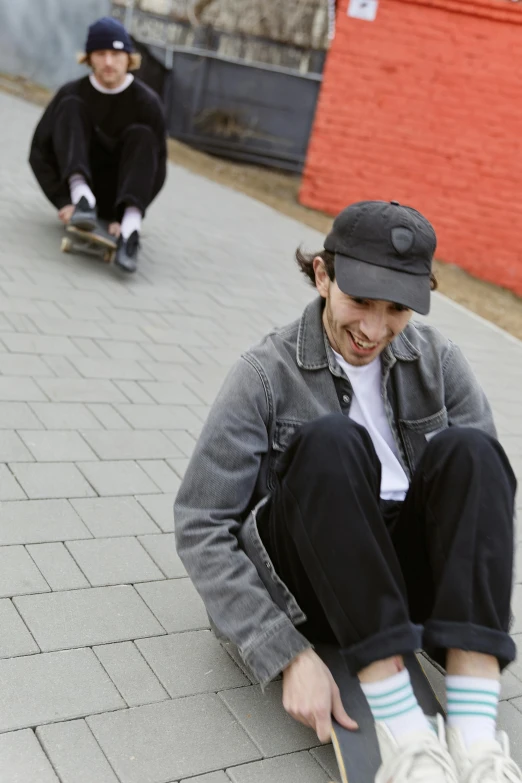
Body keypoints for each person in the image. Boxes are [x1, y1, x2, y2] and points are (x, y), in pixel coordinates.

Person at [175, 200, 521, 783]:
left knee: (476, 452)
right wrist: (282, 651)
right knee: (332, 441)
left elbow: (482, 502)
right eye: (360, 302)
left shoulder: (438, 358)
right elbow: (201, 522)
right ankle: (407, 737)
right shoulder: (265, 372)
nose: (374, 329)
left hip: (400, 581)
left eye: (397, 310)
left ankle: (474, 731)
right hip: (315, 575)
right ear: (322, 275)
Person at [29, 16, 167, 273]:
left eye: (116, 54)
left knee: (143, 136)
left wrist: (123, 214)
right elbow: (39, 151)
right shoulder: (71, 93)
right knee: (71, 108)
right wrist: (62, 201)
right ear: (89, 58)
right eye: (100, 53)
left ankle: (130, 231)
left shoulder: (147, 104)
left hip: (119, 195)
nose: (108, 62)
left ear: (129, 58)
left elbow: (157, 171)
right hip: (78, 188)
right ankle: (83, 199)